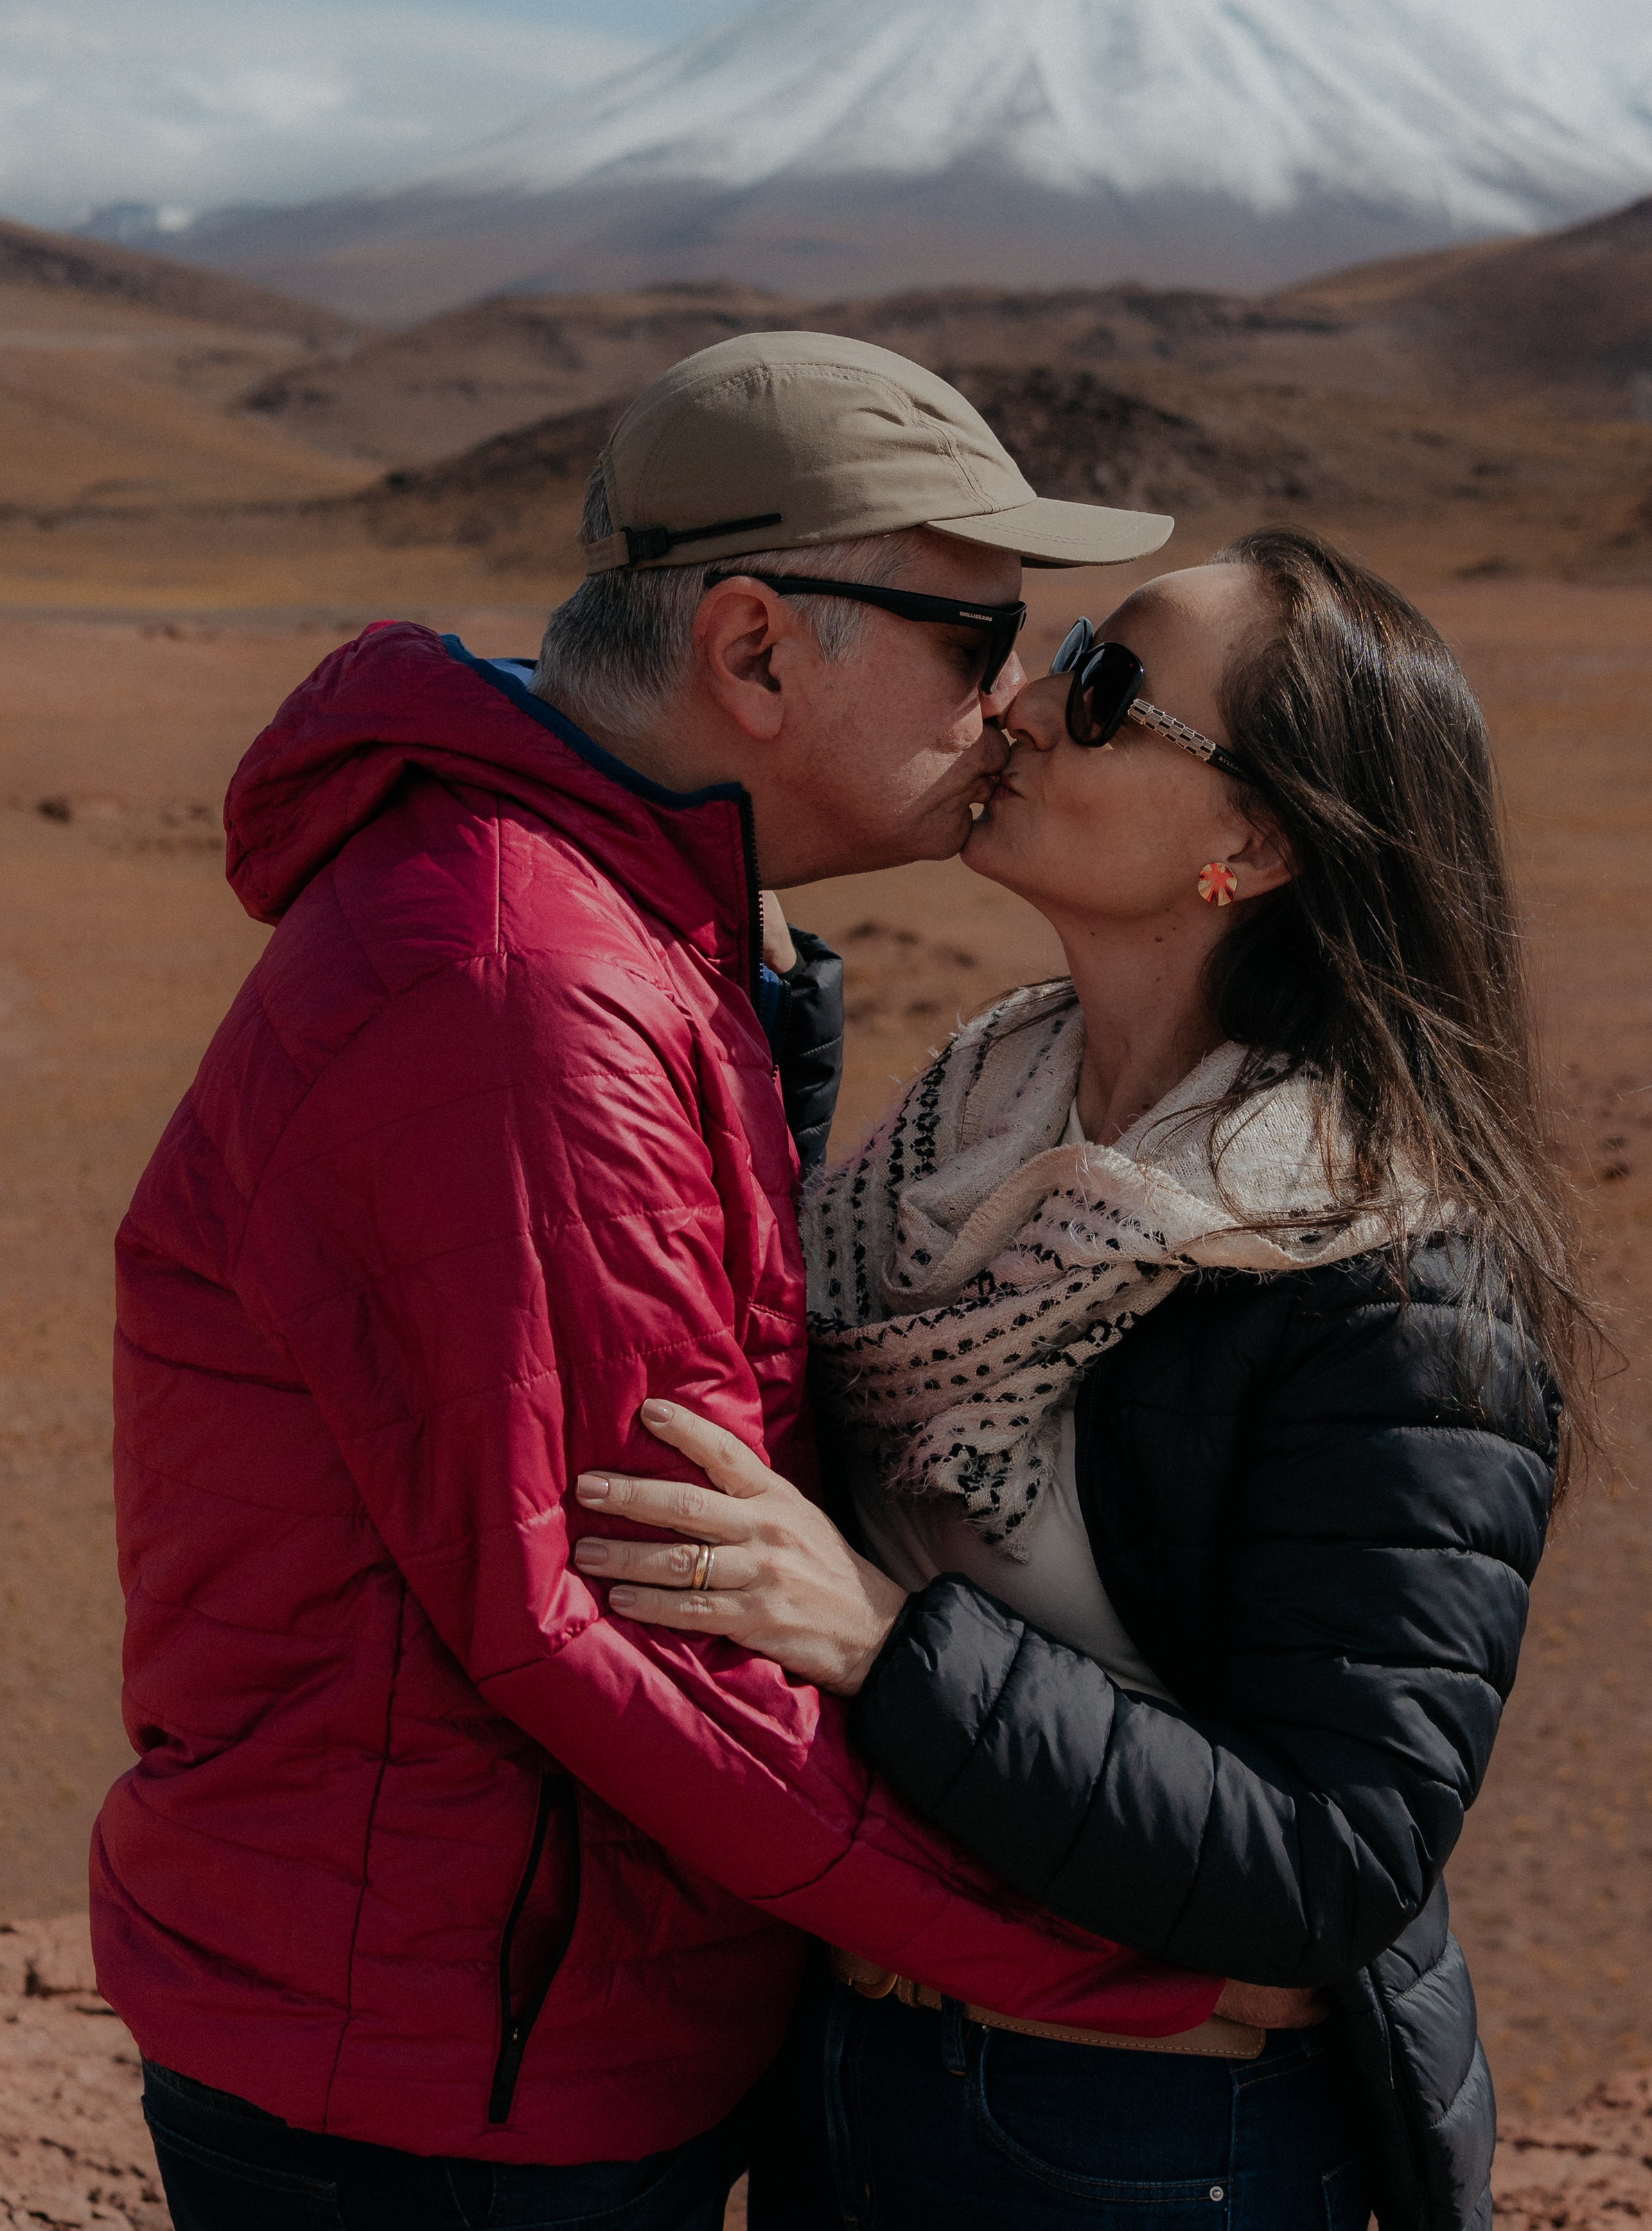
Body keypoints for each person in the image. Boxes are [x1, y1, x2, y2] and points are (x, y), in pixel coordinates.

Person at [98, 333, 1234, 2231]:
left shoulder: (628, 918)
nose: (1023, 703)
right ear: (760, 650)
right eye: (978, 640)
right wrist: (1117, 1977)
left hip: (506, 2008)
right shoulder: (521, 986)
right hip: (449, 2079)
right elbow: (627, 1624)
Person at [579, 531, 1603, 2231]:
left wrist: (884, 1642)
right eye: (1064, 650)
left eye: (1111, 689)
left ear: (1253, 843)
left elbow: (1331, 1861)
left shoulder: (1380, 1270)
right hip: (845, 2066)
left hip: (1146, 2141)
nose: (1028, 706)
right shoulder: (972, 1133)